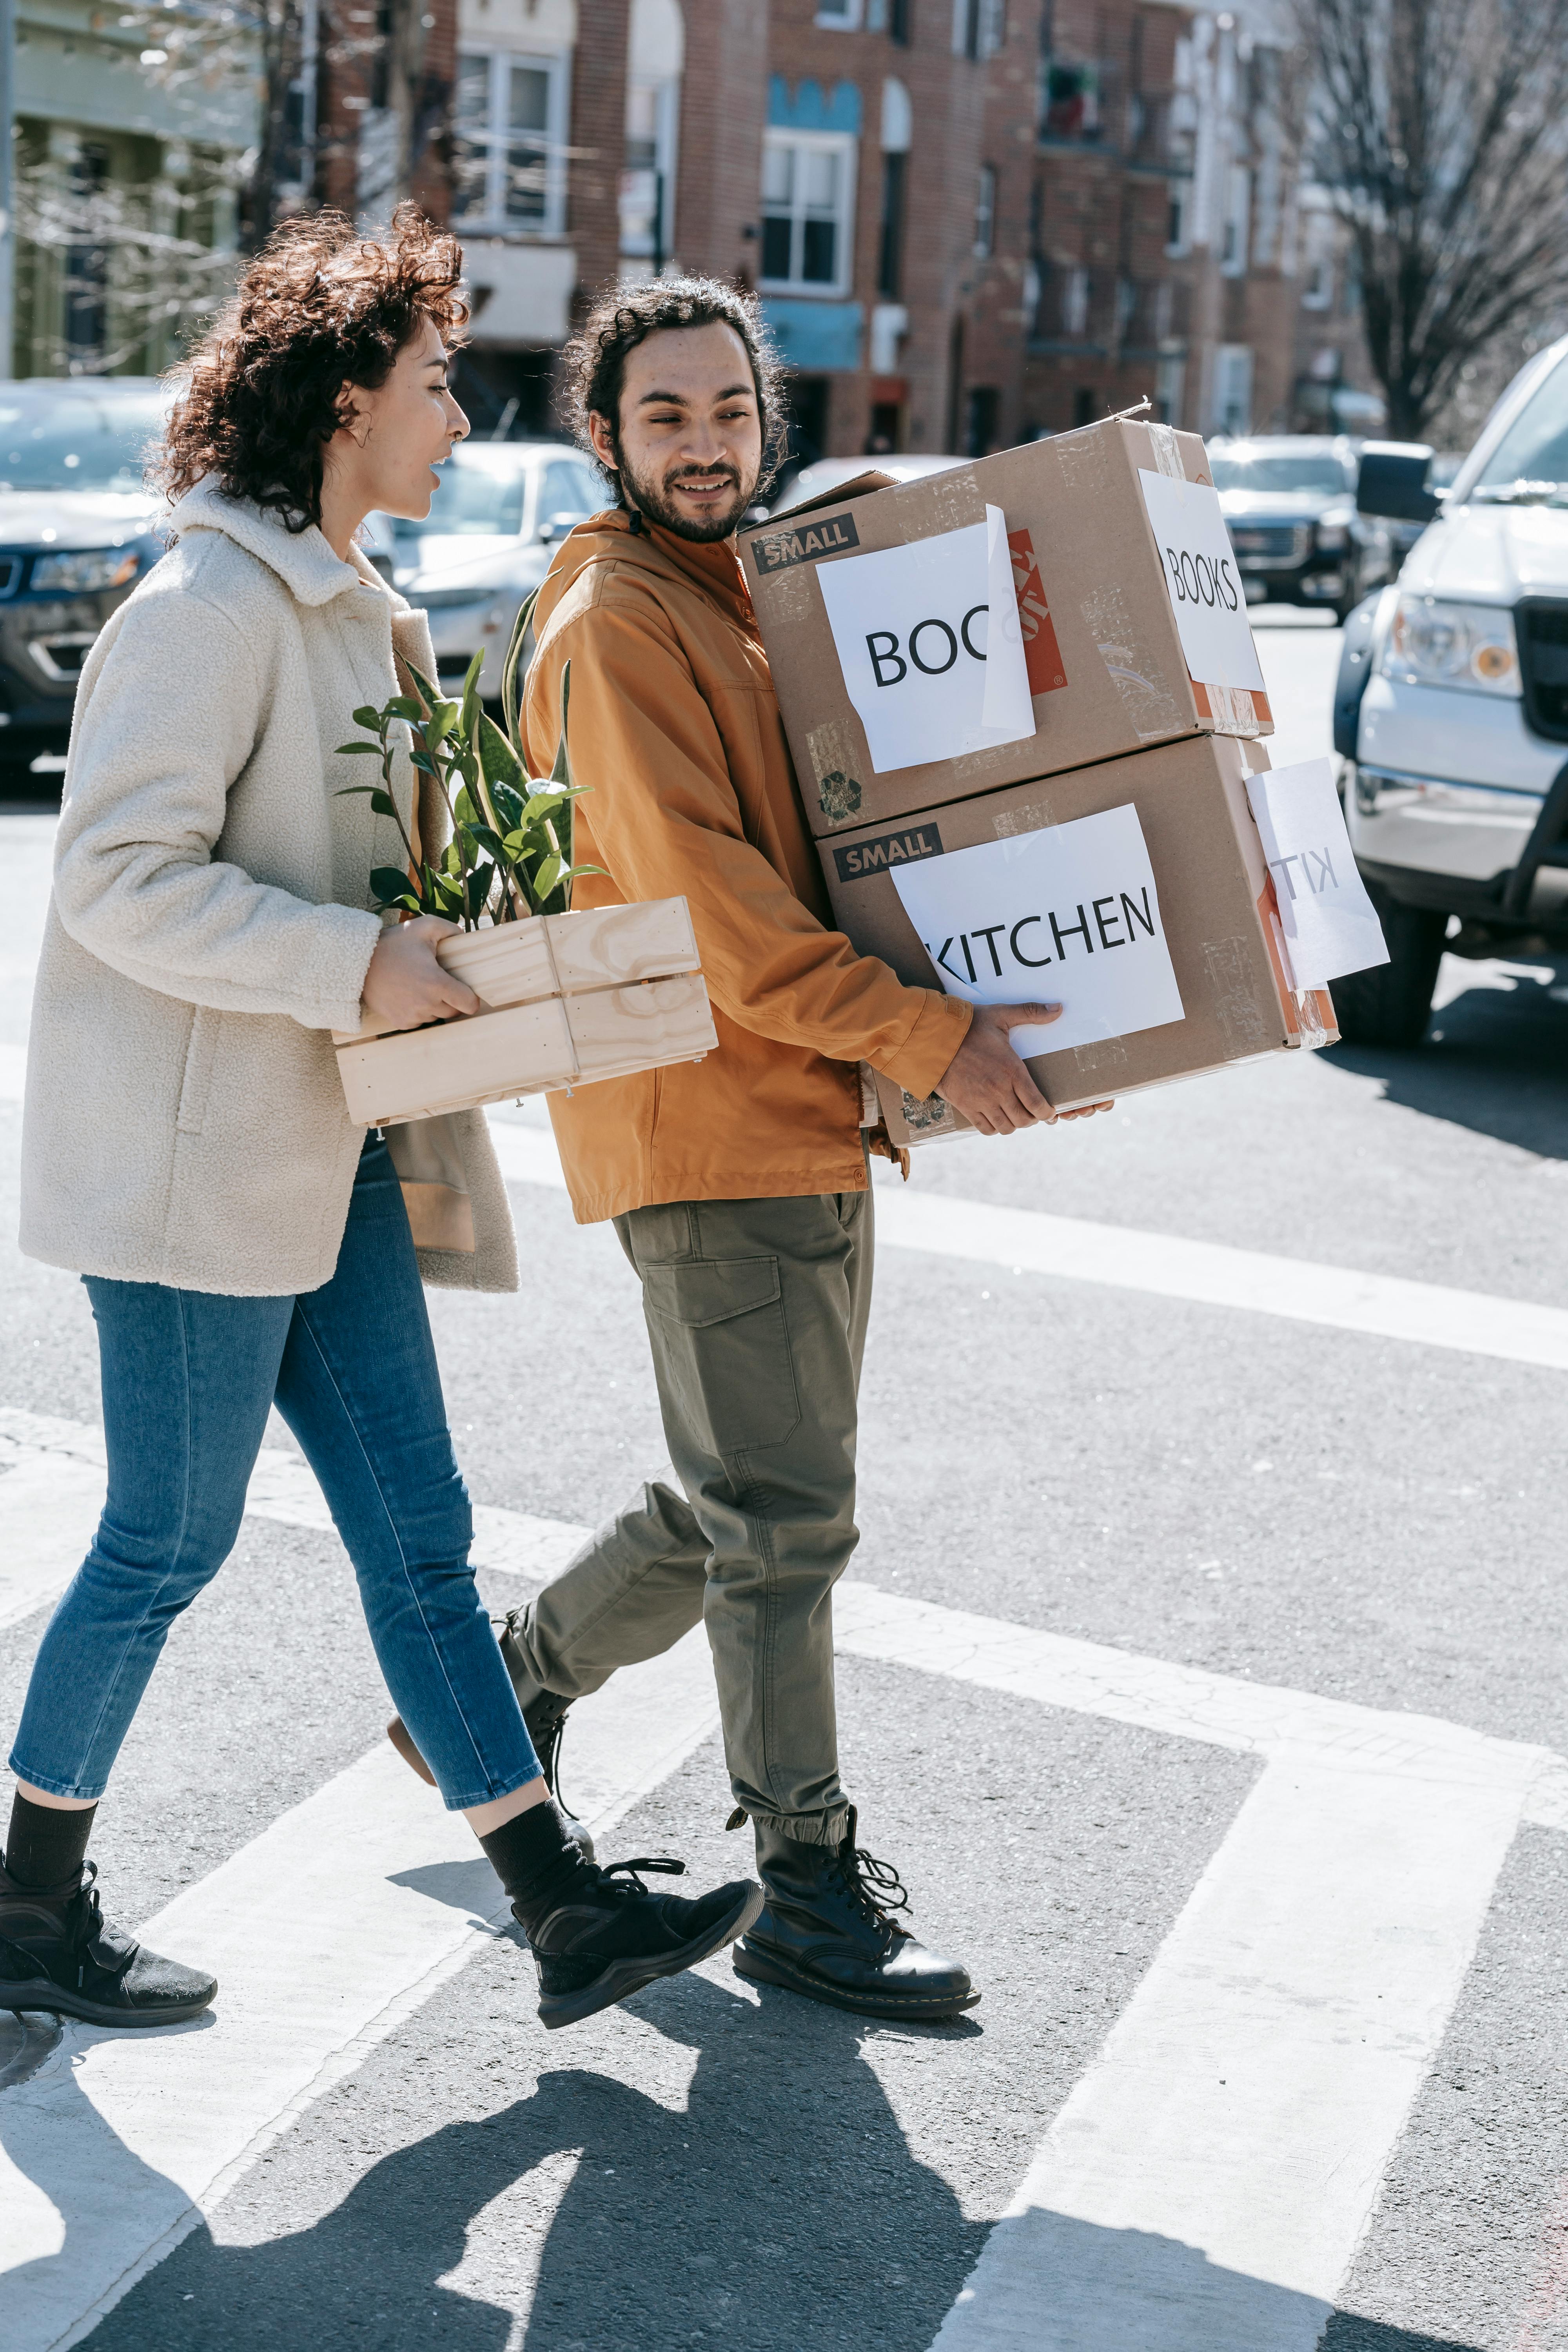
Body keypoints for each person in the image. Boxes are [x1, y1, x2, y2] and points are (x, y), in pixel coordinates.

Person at [2, 214, 758, 2038]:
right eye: (433, 384)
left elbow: (367, 879)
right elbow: (115, 879)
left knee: (421, 1543)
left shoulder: (359, 612)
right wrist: (361, 959)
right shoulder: (205, 609)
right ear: (347, 405)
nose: (458, 415)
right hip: (195, 1168)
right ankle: (26, 1906)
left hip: (327, 1152)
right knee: (165, 1544)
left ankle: (557, 1903)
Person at [388, 278, 1109, 2019]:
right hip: (711, 1123)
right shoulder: (619, 629)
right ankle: (804, 1878)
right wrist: (938, 1040)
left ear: (763, 422)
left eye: (726, 414)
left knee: (746, 1485)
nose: (703, 446)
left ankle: (493, 1691)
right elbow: (717, 925)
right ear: (603, 435)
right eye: (665, 419)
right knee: (783, 1518)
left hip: (789, 1114)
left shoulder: (724, 591)